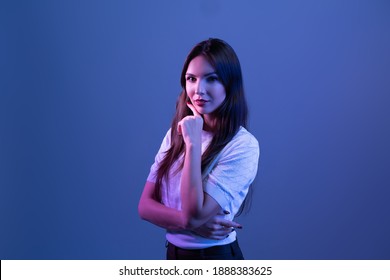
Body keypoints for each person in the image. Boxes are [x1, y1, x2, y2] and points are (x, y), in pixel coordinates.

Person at [138, 38, 259, 260]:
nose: (198, 90)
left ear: (229, 85)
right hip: (174, 256)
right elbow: (144, 206)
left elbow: (194, 213)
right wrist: (192, 224)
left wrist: (193, 143)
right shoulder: (177, 131)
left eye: (212, 79)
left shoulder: (243, 145)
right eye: (191, 79)